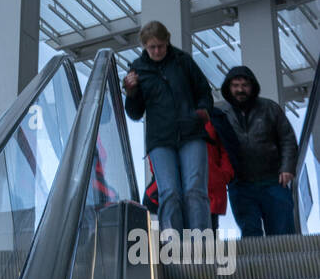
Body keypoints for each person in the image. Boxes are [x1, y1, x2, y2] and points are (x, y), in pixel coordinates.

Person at [123, 20, 214, 235]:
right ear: (144, 46)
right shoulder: (137, 70)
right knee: (169, 192)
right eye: (152, 47)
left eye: (161, 46)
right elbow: (135, 113)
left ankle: (200, 244)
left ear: (167, 42)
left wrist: (201, 111)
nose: (157, 51)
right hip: (161, 139)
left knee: (195, 190)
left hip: (191, 133)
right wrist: (131, 92)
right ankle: (174, 244)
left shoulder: (183, 61)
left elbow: (204, 91)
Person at [220, 65, 298, 238]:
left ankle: (286, 266)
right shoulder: (222, 114)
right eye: (235, 85)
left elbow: (287, 139)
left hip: (274, 181)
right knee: (250, 235)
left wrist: (287, 168)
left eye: (244, 85)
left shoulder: (270, 108)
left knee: (282, 234)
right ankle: (257, 267)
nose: (240, 89)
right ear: (228, 88)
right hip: (240, 185)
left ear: (252, 86)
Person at [143, 111, 235, 231]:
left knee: (205, 243)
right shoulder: (166, 113)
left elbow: (227, 150)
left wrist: (222, 176)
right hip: (178, 194)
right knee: (176, 243)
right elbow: (156, 150)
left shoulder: (214, 117)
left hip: (209, 192)